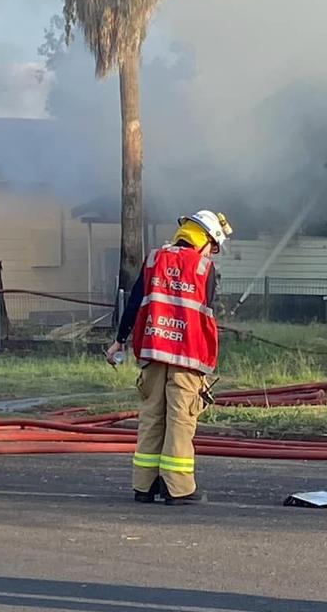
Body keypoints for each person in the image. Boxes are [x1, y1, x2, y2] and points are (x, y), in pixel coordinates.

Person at [105, 209, 233, 506]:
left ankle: (144, 486)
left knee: (151, 417)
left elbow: (135, 302)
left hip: (152, 352)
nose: (212, 255)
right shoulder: (204, 268)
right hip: (187, 356)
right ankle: (177, 488)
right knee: (181, 420)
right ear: (205, 241)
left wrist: (118, 342)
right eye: (213, 248)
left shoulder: (153, 259)